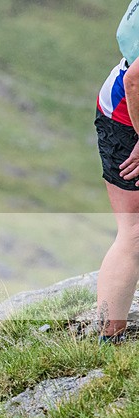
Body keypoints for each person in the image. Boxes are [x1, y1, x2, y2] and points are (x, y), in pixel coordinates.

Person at [95, 0, 139, 343]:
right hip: (129, 115)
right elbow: (137, 79)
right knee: (134, 231)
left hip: (122, 99)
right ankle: (109, 341)